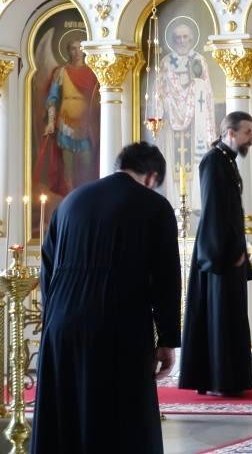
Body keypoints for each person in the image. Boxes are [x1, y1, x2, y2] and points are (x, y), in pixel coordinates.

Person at [32, 142, 181, 454]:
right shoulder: (154, 206)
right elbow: (166, 276)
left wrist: (53, 319)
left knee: (66, 413)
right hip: (117, 321)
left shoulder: (71, 201)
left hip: (61, 323)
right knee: (119, 418)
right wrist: (167, 338)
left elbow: (48, 268)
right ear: (152, 177)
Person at [179, 111, 252, 397]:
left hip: (228, 250)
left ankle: (228, 379)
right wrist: (227, 253)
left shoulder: (226, 160)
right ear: (230, 133)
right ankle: (219, 380)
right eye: (248, 132)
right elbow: (213, 211)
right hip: (219, 254)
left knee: (229, 316)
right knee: (219, 316)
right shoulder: (214, 161)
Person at [153, 18, 218, 200]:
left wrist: (207, 122)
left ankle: (195, 201)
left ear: (191, 39)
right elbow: (158, 91)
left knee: (195, 159)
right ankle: (173, 200)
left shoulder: (199, 61)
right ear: (173, 40)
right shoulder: (166, 63)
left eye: (185, 37)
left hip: (195, 120)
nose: (182, 41)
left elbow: (207, 91)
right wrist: (160, 114)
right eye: (178, 37)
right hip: (170, 120)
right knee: (172, 159)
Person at [42, 34, 100, 195]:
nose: (77, 52)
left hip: (86, 125)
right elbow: (52, 98)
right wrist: (50, 122)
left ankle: (86, 195)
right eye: (73, 48)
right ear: (68, 51)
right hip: (65, 123)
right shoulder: (62, 72)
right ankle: (69, 195)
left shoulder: (93, 72)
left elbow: (98, 98)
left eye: (80, 48)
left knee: (87, 163)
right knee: (67, 165)